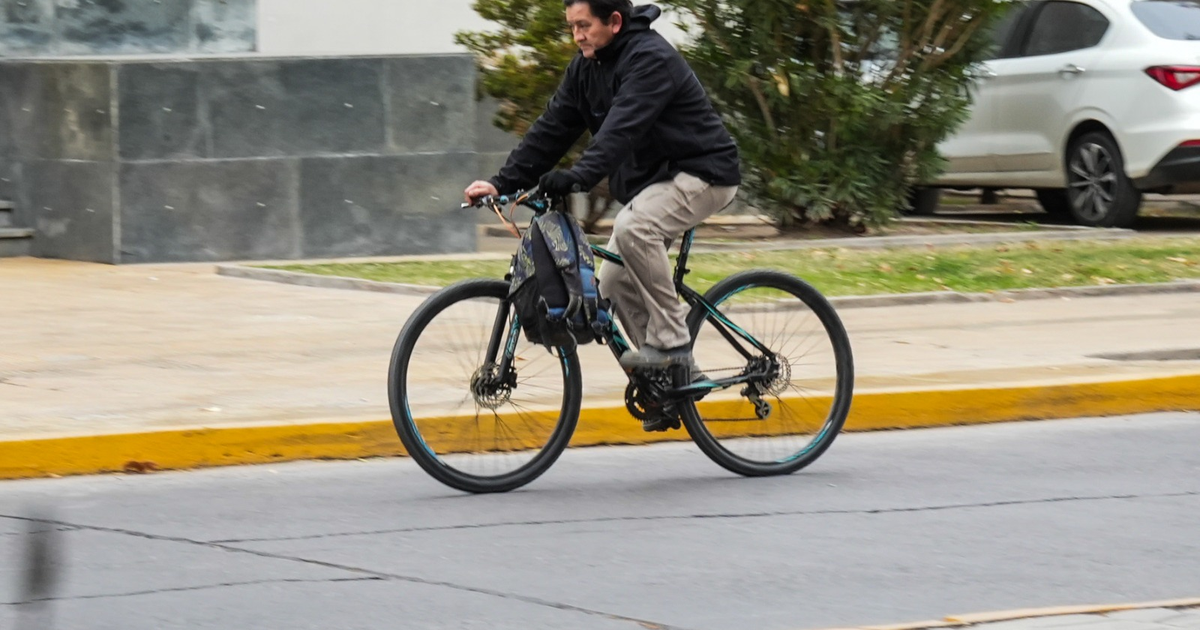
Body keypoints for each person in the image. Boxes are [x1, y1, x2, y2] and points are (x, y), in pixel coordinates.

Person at [464, 0, 740, 371]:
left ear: (614, 21)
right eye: (572, 27)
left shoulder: (650, 59)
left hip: (703, 173)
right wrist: (501, 183)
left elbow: (620, 131)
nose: (577, 35)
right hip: (657, 182)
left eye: (584, 25)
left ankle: (673, 344)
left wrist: (578, 176)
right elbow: (551, 130)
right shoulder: (585, 69)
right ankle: (670, 381)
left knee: (636, 228)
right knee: (612, 284)